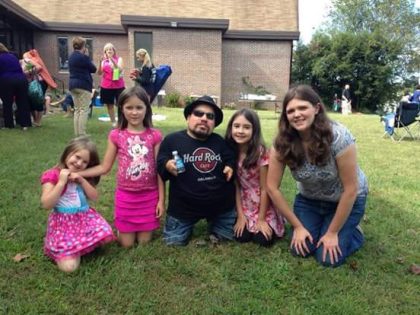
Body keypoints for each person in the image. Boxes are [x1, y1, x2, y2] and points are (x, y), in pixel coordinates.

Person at [266, 85, 368, 267]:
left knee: (327, 258)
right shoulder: (282, 144)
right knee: (300, 249)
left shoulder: (338, 137)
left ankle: (354, 231)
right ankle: (324, 226)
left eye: (302, 107)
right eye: (290, 111)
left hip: (345, 200)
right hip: (309, 200)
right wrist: (297, 226)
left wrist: (332, 233)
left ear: (316, 108)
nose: (296, 114)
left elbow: (351, 189)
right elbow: (272, 188)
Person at [77, 86, 165, 248]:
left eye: (139, 107)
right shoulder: (117, 135)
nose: (134, 112)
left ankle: (141, 226)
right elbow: (104, 167)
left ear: (147, 109)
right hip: (126, 196)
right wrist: (80, 173)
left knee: (144, 243)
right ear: (121, 109)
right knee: (127, 245)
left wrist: (161, 200)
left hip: (149, 196)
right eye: (129, 107)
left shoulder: (155, 135)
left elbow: (160, 171)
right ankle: (123, 228)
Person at [157, 95, 236, 246]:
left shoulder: (219, 142)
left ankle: (215, 225)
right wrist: (167, 164)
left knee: (226, 237)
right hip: (184, 208)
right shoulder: (172, 140)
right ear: (188, 118)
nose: (204, 118)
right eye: (198, 114)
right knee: (173, 243)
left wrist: (230, 166)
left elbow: (230, 157)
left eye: (210, 116)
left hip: (221, 207)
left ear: (214, 123)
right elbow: (160, 162)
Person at [40, 136, 115, 272]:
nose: (79, 163)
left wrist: (82, 180)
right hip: (64, 225)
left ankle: (80, 246)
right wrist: (61, 182)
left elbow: (94, 196)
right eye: (77, 157)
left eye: (85, 162)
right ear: (67, 153)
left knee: (104, 234)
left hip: (84, 220)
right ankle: (72, 249)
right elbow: (46, 204)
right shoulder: (52, 175)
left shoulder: (82, 176)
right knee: (70, 268)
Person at [225, 108, 284, 247]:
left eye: (246, 127)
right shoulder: (229, 151)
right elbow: (237, 186)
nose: (240, 131)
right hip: (244, 203)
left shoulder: (260, 152)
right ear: (230, 127)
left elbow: (265, 188)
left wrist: (262, 219)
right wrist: (240, 215)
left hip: (263, 203)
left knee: (263, 240)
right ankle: (246, 220)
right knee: (241, 236)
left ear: (254, 130)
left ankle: (270, 222)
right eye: (236, 126)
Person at [68, 36, 97, 136]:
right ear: (83, 46)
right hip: (83, 85)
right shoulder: (83, 57)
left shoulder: (71, 57)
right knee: (84, 110)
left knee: (77, 110)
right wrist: (87, 56)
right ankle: (82, 134)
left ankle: (77, 133)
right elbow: (93, 69)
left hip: (72, 85)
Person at [0, 42, 32, 129]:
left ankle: (9, 125)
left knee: (7, 103)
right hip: (21, 79)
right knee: (23, 101)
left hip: (6, 80)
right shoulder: (13, 56)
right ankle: (25, 124)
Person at [97, 43, 125, 127]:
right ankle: (113, 123)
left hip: (118, 86)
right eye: (107, 49)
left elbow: (119, 69)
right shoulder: (104, 61)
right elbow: (99, 73)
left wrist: (112, 59)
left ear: (114, 51)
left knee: (121, 104)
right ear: (105, 51)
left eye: (111, 49)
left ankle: (121, 122)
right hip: (106, 86)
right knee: (109, 104)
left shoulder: (119, 59)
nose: (109, 50)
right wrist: (99, 62)